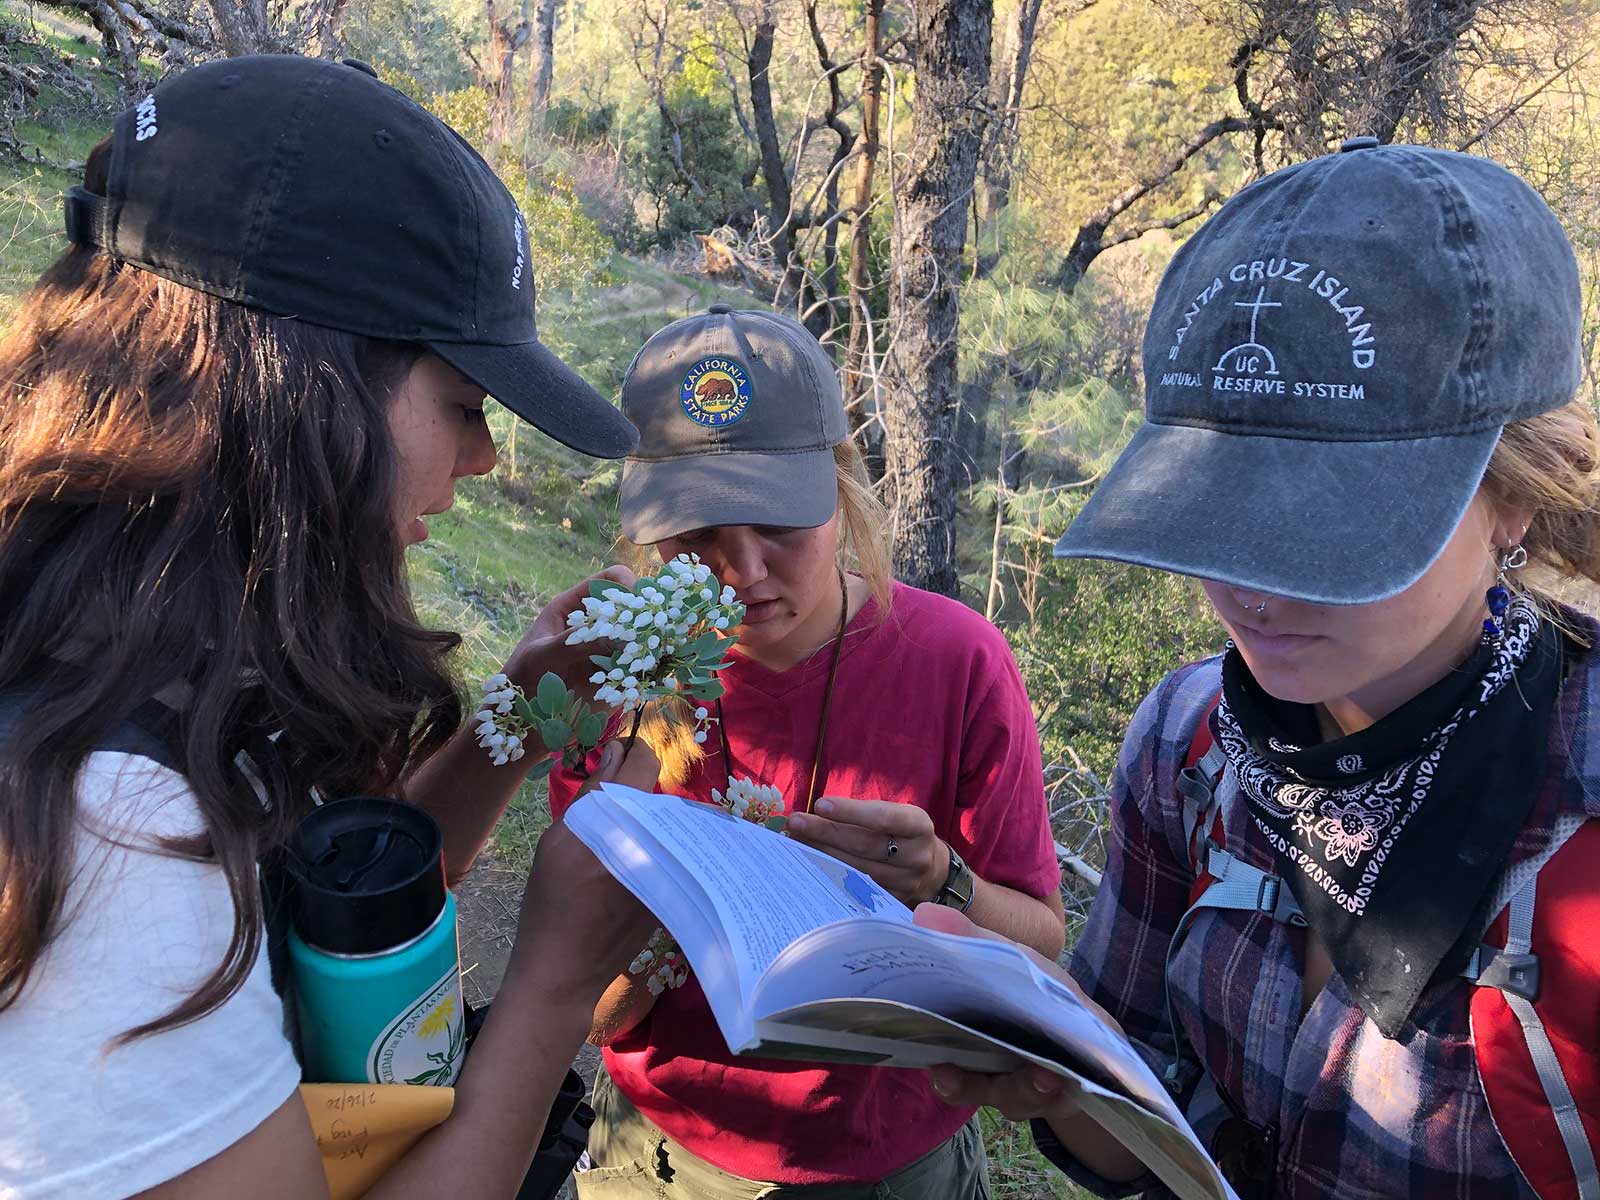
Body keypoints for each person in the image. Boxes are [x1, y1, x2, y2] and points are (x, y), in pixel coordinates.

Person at [0, 55, 664, 1200]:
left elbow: (332, 902)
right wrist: (559, 977)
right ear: (308, 389)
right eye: (462, 406)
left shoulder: (141, 647)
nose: (482, 459)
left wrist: (519, 721)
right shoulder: (113, 842)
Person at [916, 140, 1600, 1198]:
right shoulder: (1189, 745)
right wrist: (1058, 1074)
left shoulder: (1578, 808)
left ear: (1517, 492)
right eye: (1215, 517)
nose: (1251, 594)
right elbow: (1147, 1116)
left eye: (1324, 534)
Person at [545, 304, 1065, 1199]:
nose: (742, 569)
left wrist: (944, 882)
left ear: (841, 488)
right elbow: (580, 1007)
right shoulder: (617, 679)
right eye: (698, 532)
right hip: (664, 1158)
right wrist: (665, 924)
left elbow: (1043, 945)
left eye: (778, 522)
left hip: (891, 1160)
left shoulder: (958, 661)